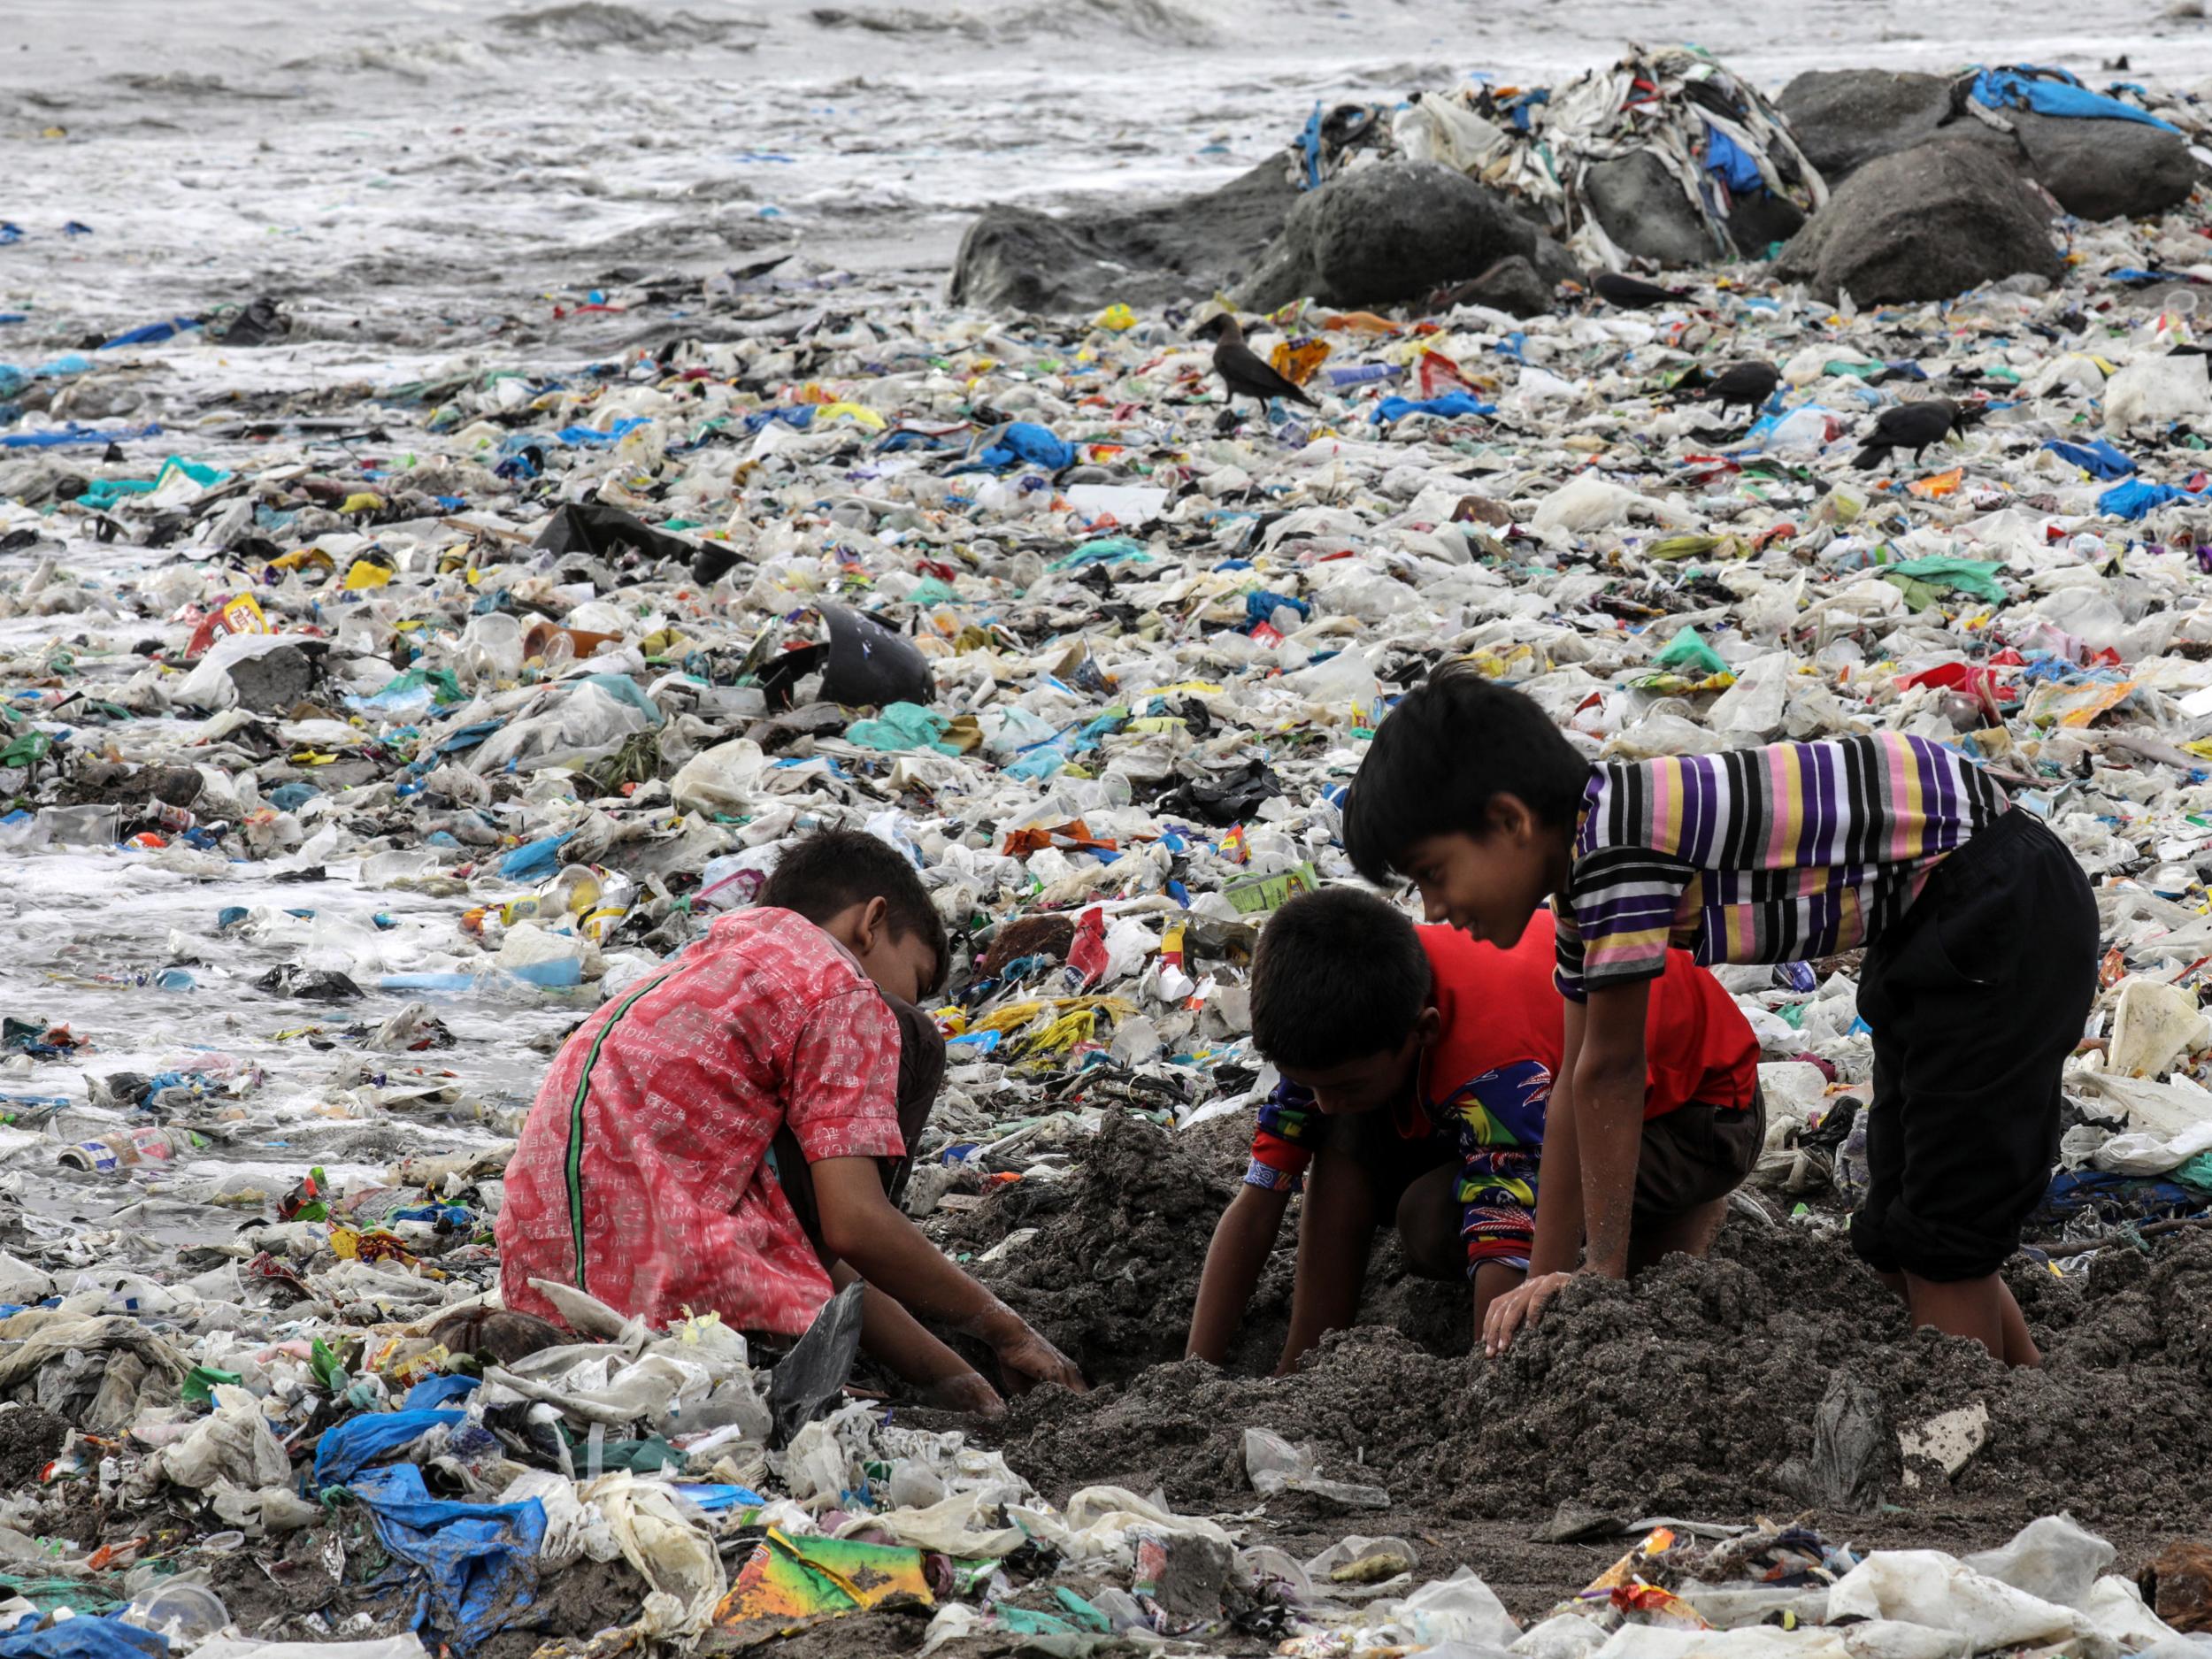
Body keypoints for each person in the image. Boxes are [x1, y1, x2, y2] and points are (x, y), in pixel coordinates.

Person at [1341, 664, 2098, 1366]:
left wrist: (1598, 1275)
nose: (1435, 908)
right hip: (1940, 917)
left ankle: (1976, 1448)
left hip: (1995, 906)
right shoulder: (1588, 872)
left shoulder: (1611, 847)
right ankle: (2026, 1398)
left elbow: (1611, 1070)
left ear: (1509, 821)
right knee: (1901, 1227)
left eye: (1434, 874)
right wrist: (1542, 1281)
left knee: (1941, 1237)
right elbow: (1574, 1080)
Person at [495, 827, 1085, 1414]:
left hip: (542, 1299)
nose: (913, 999)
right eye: (918, 977)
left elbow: (811, 1240)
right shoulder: (840, 989)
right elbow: (852, 1227)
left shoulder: (701, 963)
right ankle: (777, 1337)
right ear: (871, 921)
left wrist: (957, 1379)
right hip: (681, 1312)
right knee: (917, 1040)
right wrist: (1009, 1332)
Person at [1185, 886, 1761, 1373]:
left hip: (1699, 1115)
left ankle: (1682, 1218)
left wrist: (1488, 1374)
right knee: (1342, 1132)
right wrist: (1196, 1369)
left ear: (1425, 1031)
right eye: (1306, 1084)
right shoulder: (1338, 1028)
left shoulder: (1492, 1064)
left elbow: (1504, 1239)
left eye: (1343, 1085)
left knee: (1434, 1220)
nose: (1323, 1101)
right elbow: (1259, 1198)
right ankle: (1302, 1353)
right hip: (1546, 1085)